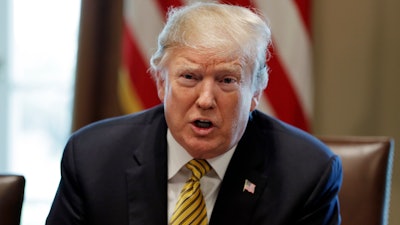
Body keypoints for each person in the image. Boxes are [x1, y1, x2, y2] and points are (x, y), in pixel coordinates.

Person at [46, 2, 342, 225]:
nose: (205, 100)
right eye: (189, 77)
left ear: (255, 92)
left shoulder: (307, 174)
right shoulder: (92, 158)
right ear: (162, 83)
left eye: (227, 80)